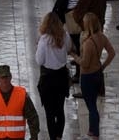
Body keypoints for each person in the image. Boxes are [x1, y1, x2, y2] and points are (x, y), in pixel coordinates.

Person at [77, 11, 116, 139]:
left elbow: (85, 63)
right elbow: (112, 53)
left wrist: (74, 56)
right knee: (92, 103)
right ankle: (91, 130)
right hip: (98, 74)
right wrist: (102, 66)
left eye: (84, 22)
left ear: (88, 25)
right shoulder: (102, 37)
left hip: (87, 77)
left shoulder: (88, 42)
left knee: (92, 107)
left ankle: (95, 134)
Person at [35, 12, 72, 140]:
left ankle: (53, 138)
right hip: (61, 77)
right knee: (60, 109)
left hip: (48, 79)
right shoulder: (65, 36)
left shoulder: (44, 40)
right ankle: (59, 136)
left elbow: (39, 61)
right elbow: (69, 49)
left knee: (49, 112)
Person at [0, 65, 40, 140]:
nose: (5, 80)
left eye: (6, 77)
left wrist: (34, 137)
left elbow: (33, 117)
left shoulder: (22, 95)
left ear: (10, 77)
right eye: (2, 77)